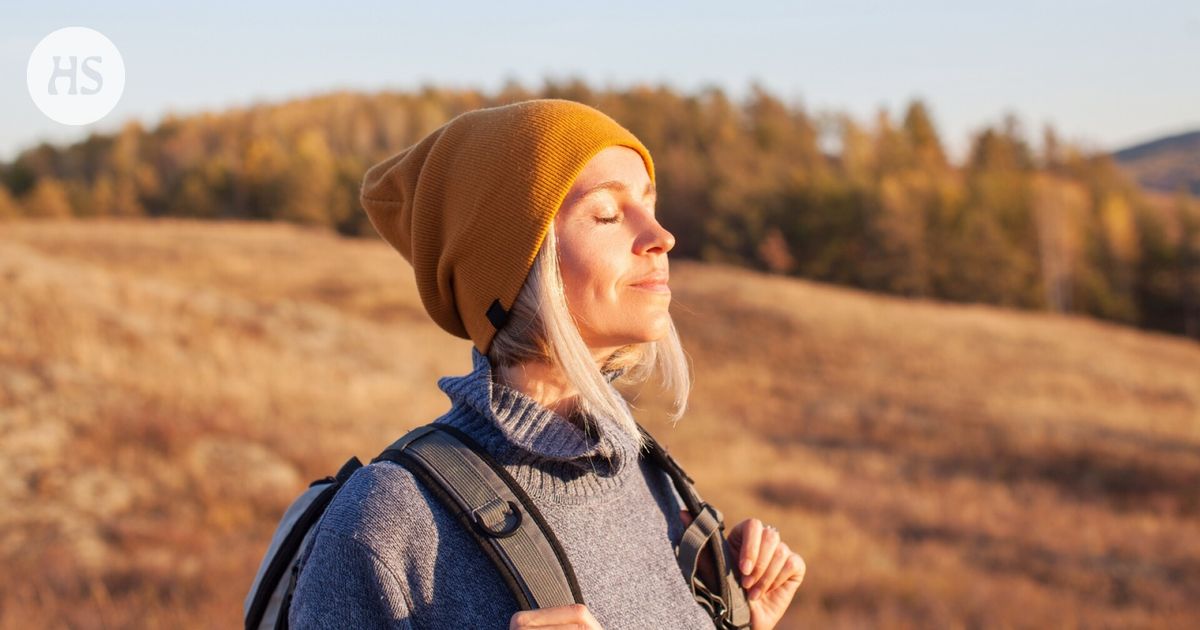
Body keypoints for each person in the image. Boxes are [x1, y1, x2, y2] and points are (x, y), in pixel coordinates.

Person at [288, 98, 806, 629]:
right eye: (607, 213)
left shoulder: (651, 478)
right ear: (516, 266)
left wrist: (739, 620)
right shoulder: (388, 519)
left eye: (651, 206)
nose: (661, 237)